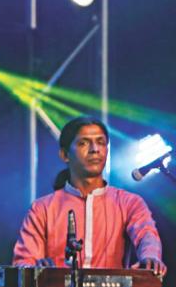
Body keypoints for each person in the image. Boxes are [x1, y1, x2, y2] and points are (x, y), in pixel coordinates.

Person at [13, 116, 166, 275]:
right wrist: (36, 270)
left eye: (101, 142)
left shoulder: (129, 203)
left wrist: (150, 257)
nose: (95, 149)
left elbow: (147, 235)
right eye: (83, 143)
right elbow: (23, 262)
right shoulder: (42, 209)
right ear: (65, 155)